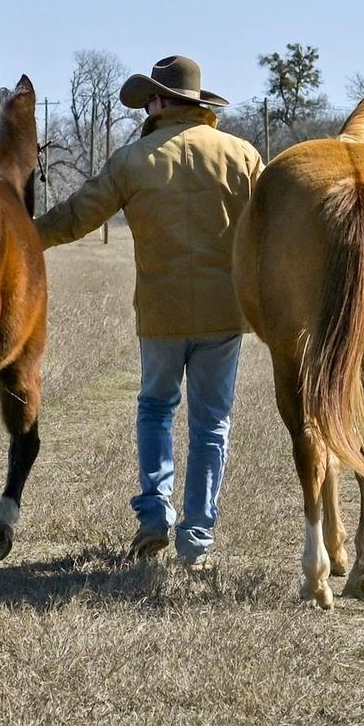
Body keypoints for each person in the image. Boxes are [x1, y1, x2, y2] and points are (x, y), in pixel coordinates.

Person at [34, 55, 263, 568]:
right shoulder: (242, 155)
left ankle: (155, 512)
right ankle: (196, 538)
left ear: (160, 102)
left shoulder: (133, 160)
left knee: (157, 408)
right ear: (198, 104)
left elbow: (75, 217)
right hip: (224, 313)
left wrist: (25, 239)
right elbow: (270, 227)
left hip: (160, 312)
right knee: (212, 424)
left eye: (148, 100)